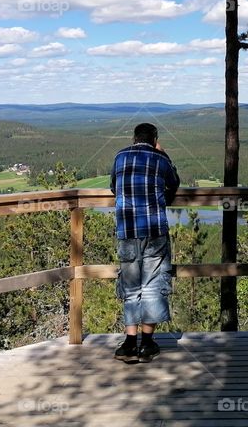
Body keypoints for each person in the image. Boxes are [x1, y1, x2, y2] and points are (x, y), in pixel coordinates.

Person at [110, 122, 180, 363]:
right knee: (153, 284)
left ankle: (129, 343)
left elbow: (113, 187)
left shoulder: (120, 156)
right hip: (154, 230)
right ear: (154, 138)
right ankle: (147, 343)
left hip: (127, 231)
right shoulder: (160, 159)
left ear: (134, 138)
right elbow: (174, 183)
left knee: (130, 287)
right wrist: (163, 153)